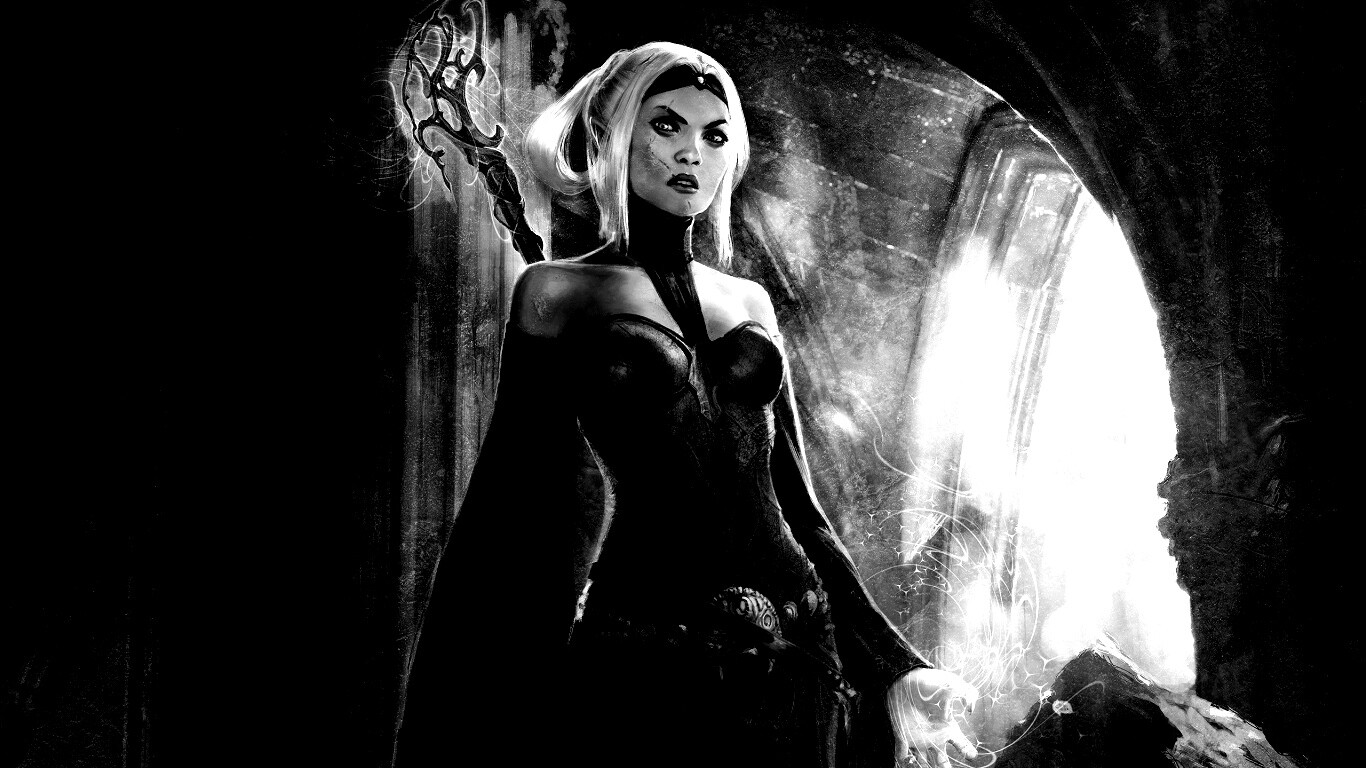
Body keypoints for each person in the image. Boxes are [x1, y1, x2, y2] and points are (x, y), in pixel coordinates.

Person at [396, 41, 977, 768]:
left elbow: (796, 504)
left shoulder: (749, 301)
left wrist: (896, 665)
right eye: (667, 125)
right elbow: (511, 510)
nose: (691, 153)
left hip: (800, 650)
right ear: (610, 135)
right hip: (645, 655)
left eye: (715, 134)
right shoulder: (556, 292)